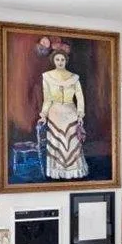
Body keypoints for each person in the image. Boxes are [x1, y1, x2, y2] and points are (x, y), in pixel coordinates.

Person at [37, 39, 88, 180]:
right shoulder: (47, 77)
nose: (60, 62)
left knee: (72, 142)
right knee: (56, 141)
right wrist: (44, 115)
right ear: (54, 60)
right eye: (57, 59)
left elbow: (80, 97)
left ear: (66, 61)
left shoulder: (74, 78)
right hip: (55, 113)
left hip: (71, 112)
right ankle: (57, 171)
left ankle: (73, 171)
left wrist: (80, 114)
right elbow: (47, 99)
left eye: (62, 59)